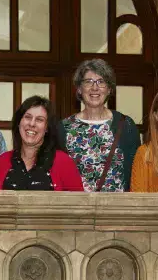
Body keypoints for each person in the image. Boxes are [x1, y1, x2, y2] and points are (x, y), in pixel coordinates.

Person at [59, 59, 141, 192]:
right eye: (88, 82)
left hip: (117, 209)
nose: (95, 88)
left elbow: (135, 173)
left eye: (101, 82)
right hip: (77, 210)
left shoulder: (126, 125)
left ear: (109, 89)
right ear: (79, 89)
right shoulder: (64, 128)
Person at [0, 96, 84, 191]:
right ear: (19, 122)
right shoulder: (3, 161)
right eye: (28, 117)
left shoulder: (64, 162)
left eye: (39, 120)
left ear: (47, 128)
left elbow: (79, 203)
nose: (32, 124)